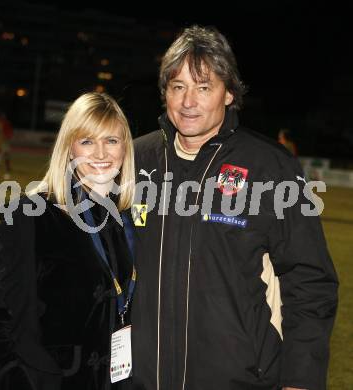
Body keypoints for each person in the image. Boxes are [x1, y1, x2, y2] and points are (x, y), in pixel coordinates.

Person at [131, 25, 338, 390]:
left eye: (203, 87)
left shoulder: (270, 167)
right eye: (177, 87)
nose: (187, 101)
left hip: (238, 379)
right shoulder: (136, 159)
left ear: (228, 93)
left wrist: (300, 378)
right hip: (145, 379)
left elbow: (309, 279)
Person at [0, 92, 136, 390]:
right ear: (69, 149)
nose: (100, 153)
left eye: (111, 140)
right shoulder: (33, 217)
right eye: (87, 141)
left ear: (125, 149)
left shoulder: (124, 219)